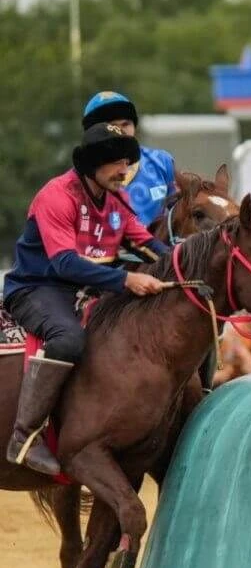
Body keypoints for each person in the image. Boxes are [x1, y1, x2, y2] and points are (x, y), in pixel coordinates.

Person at [3, 123, 170, 475]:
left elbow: (149, 246)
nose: (124, 170)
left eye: (126, 161)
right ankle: (24, 438)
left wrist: (187, 264)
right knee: (68, 338)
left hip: (88, 291)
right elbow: (64, 263)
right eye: (115, 162)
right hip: (37, 288)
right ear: (93, 163)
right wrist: (126, 279)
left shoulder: (117, 203)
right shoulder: (56, 195)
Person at [81, 91, 176, 229]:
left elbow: (181, 213)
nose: (122, 132)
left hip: (158, 249)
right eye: (113, 126)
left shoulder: (162, 162)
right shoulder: (85, 176)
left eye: (126, 124)